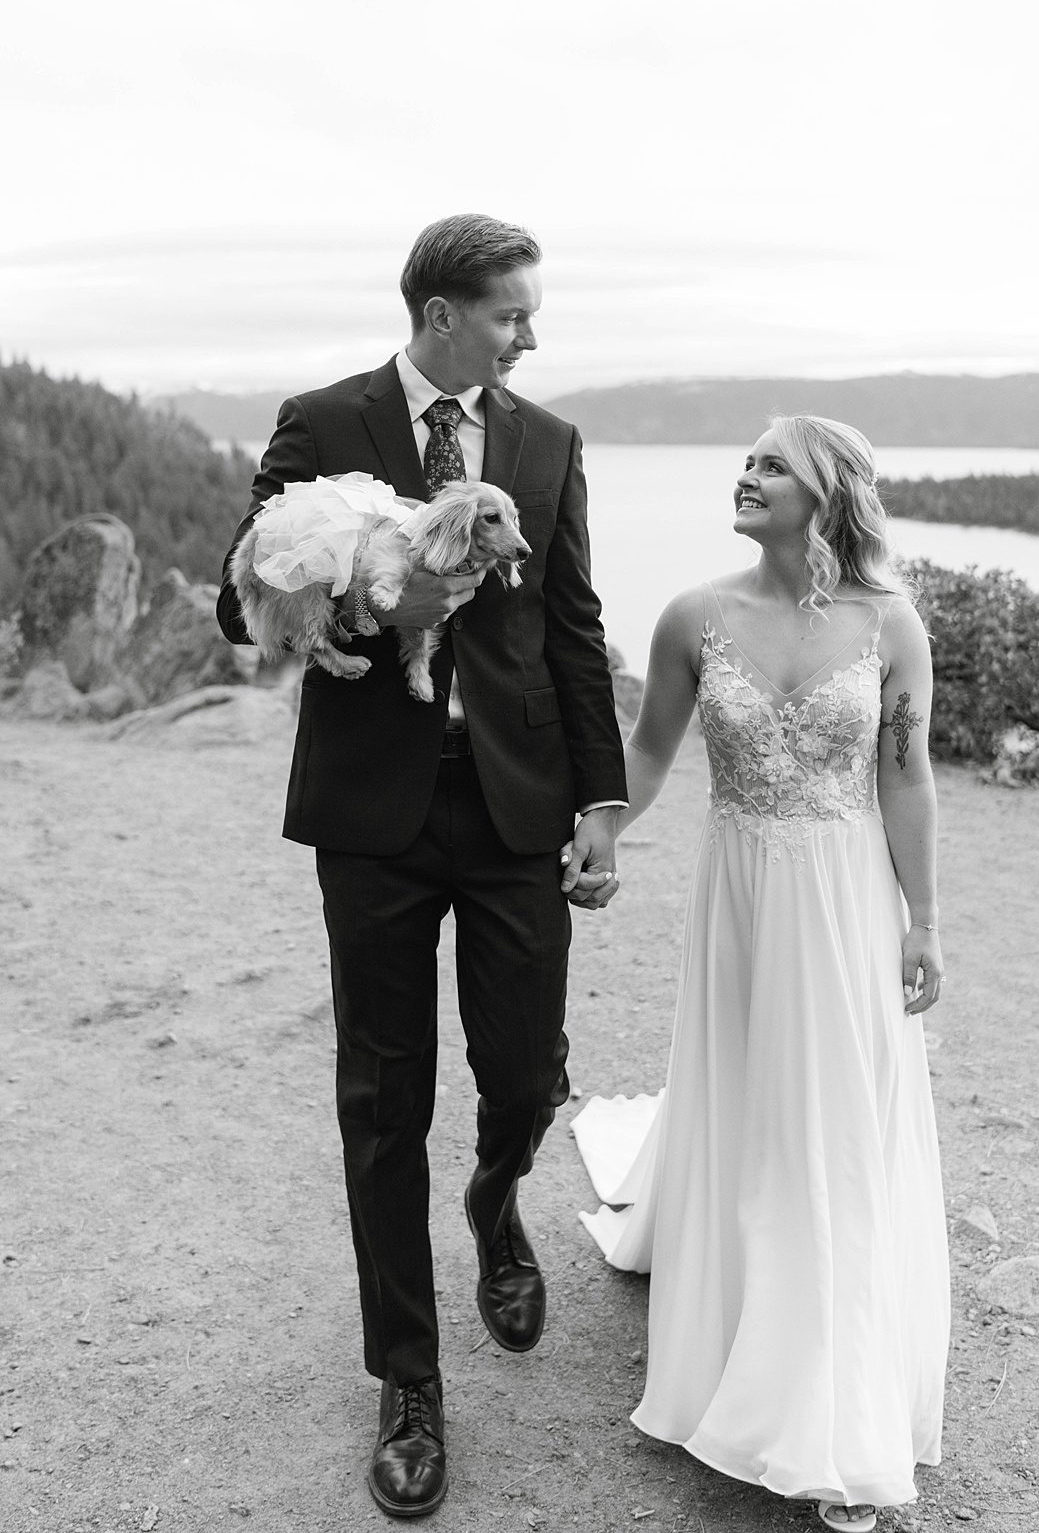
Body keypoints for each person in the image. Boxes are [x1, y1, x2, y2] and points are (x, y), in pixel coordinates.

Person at [216, 213, 627, 1520]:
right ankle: (408, 1383)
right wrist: (356, 600)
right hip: (373, 815)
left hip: (518, 810)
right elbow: (243, 598)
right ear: (445, 311)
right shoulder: (320, 419)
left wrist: (603, 801)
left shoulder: (551, 443)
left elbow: (573, 624)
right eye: (513, 311)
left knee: (525, 1068)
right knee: (384, 1099)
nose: (529, 334)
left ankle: (498, 1192)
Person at [572, 414, 950, 1531]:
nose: (746, 474)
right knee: (751, 1102)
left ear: (827, 492)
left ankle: (833, 1417)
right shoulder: (697, 613)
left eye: (771, 464)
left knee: (830, 1124)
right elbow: (647, 752)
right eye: (745, 461)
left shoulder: (892, 623)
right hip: (740, 892)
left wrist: (923, 918)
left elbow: (909, 776)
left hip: (843, 895)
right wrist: (604, 834)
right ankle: (726, 1293)